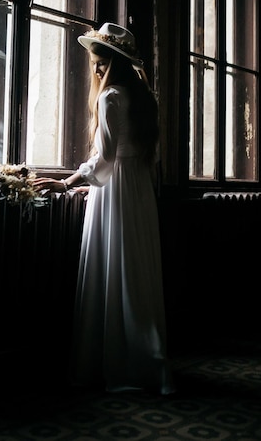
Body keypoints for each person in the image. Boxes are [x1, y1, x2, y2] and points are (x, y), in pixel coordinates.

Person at [33, 22, 175, 395]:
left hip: (113, 191)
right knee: (134, 269)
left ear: (113, 63)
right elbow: (140, 156)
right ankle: (145, 358)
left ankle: (116, 361)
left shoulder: (110, 96)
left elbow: (106, 157)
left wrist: (68, 182)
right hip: (138, 191)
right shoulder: (144, 98)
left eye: (99, 62)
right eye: (94, 62)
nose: (94, 69)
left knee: (113, 267)